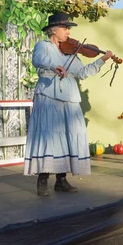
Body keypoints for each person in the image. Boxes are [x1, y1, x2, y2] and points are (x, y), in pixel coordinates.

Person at [23, 12, 113, 197]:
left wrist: (101, 60)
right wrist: (53, 67)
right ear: (53, 30)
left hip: (70, 98)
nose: (68, 32)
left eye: (68, 29)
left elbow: (82, 72)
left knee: (68, 137)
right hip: (49, 96)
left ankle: (61, 180)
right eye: (65, 28)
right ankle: (43, 178)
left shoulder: (71, 51)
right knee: (49, 137)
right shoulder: (43, 46)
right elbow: (38, 60)